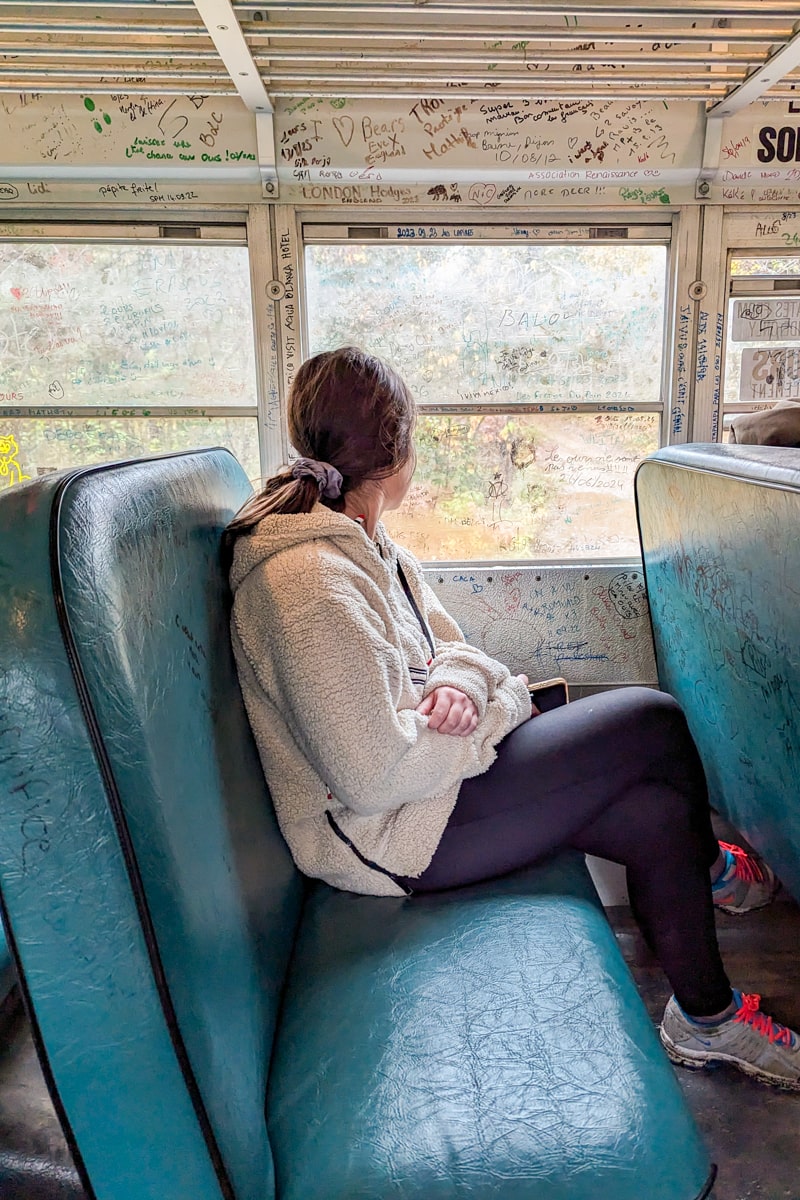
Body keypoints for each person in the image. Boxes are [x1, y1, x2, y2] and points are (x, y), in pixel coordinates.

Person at [225, 345, 800, 1091]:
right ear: (396, 449)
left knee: (656, 812)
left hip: (433, 785)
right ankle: (718, 871)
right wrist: (495, 710)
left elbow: (458, 651)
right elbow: (372, 777)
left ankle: (705, 1018)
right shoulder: (304, 582)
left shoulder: (367, 544)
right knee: (652, 721)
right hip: (391, 839)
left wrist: (475, 693)